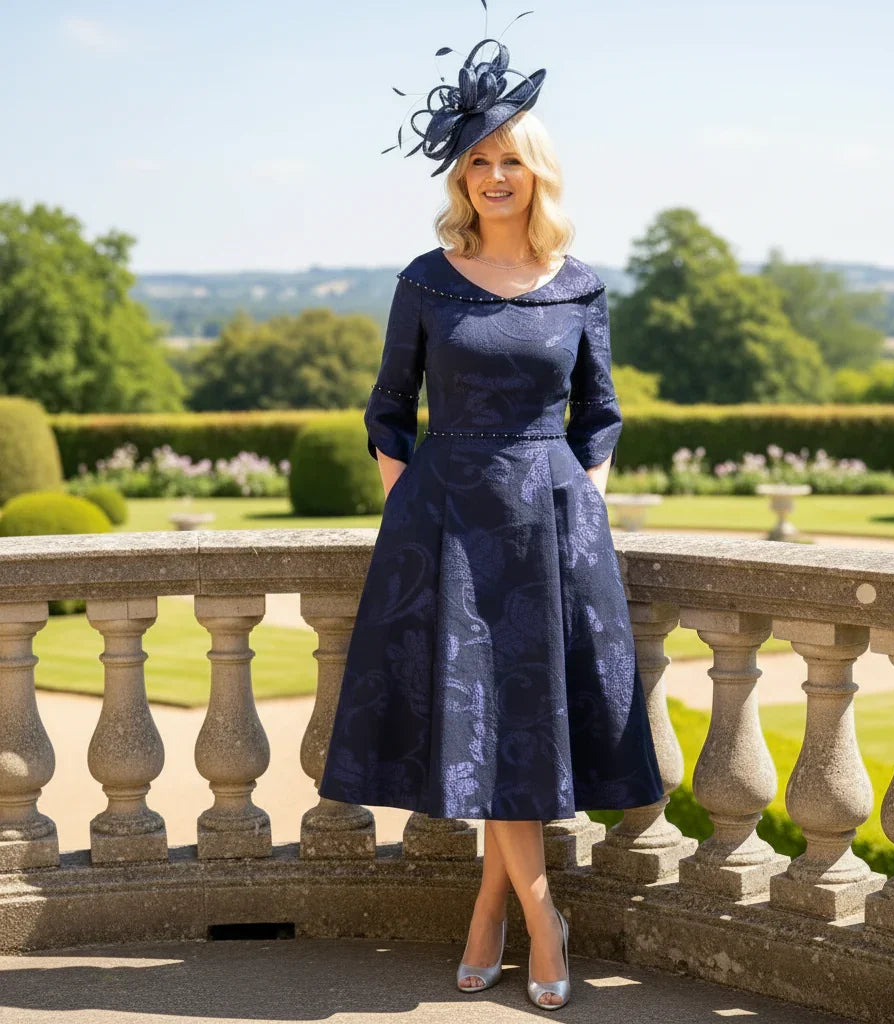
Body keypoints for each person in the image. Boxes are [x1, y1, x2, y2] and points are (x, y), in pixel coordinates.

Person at [317, 9, 664, 1011]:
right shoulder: (426, 282)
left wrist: (583, 508)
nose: (494, 176)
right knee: (480, 725)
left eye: (509, 159)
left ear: (537, 171)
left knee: (522, 727)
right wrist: (415, 511)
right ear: (460, 179)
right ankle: (541, 914)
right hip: (449, 533)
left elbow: (599, 413)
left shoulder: (581, 286)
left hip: (552, 526)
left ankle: (488, 912)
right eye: (476, 161)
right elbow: (388, 413)